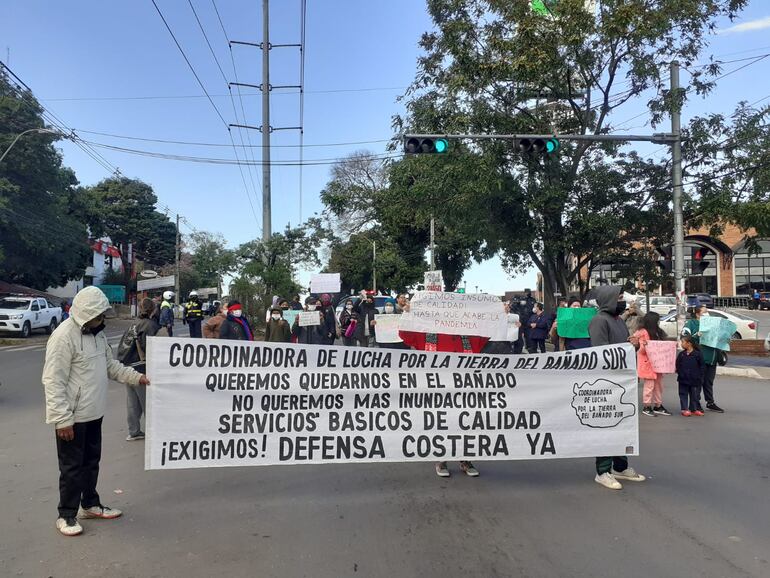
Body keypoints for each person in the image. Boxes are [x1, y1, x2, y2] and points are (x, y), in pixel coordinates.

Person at [42, 286, 150, 537]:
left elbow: (110, 366)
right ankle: (66, 515)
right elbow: (53, 381)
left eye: (102, 314)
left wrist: (138, 378)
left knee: (91, 463)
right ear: (84, 314)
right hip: (72, 418)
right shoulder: (63, 337)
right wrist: (62, 420)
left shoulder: (97, 335)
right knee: (71, 468)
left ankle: (90, 505)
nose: (101, 319)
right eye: (97, 315)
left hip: (94, 413)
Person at [588, 285, 646, 490]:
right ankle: (602, 471)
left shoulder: (618, 320)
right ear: (608, 300)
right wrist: (629, 346)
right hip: (607, 383)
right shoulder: (599, 320)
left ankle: (620, 467)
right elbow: (601, 352)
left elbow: (621, 346)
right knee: (606, 427)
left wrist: (633, 344)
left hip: (623, 382)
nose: (622, 301)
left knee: (622, 426)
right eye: (619, 297)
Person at [117, 298, 160, 441]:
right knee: (148, 402)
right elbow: (152, 347)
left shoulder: (132, 325)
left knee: (132, 403)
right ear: (153, 309)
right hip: (142, 368)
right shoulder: (150, 325)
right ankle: (154, 432)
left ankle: (134, 431)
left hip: (128, 368)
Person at [682, 305, 724, 413]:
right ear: (697, 314)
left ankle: (710, 402)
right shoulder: (691, 323)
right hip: (699, 358)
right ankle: (696, 403)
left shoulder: (713, 325)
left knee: (708, 382)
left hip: (712, 357)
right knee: (698, 382)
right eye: (704, 312)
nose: (707, 314)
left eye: (707, 312)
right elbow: (684, 338)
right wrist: (696, 335)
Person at [633, 312, 671, 417]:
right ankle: (647, 406)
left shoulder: (658, 332)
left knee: (659, 385)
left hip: (658, 362)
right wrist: (644, 346)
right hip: (648, 363)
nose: (658, 321)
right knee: (649, 386)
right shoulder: (642, 332)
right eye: (657, 320)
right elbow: (640, 351)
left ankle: (658, 405)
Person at [677, 335, 705, 417]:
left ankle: (694, 409)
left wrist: (700, 376)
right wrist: (680, 373)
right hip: (683, 379)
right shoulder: (681, 354)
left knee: (694, 395)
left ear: (689, 343)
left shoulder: (697, 354)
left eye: (683, 342)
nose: (681, 344)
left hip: (695, 379)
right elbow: (678, 365)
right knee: (683, 394)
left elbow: (702, 366)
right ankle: (684, 409)